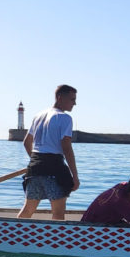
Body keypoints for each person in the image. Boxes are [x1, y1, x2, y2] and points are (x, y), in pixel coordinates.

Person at [18, 85, 79, 221]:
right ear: (60, 97)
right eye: (72, 99)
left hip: (34, 168)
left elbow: (27, 142)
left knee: (27, 210)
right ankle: (57, 241)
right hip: (54, 170)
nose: (74, 103)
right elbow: (66, 147)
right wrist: (75, 176)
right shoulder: (65, 118)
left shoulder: (38, 116)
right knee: (58, 213)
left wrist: (36, 161)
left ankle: (11, 236)